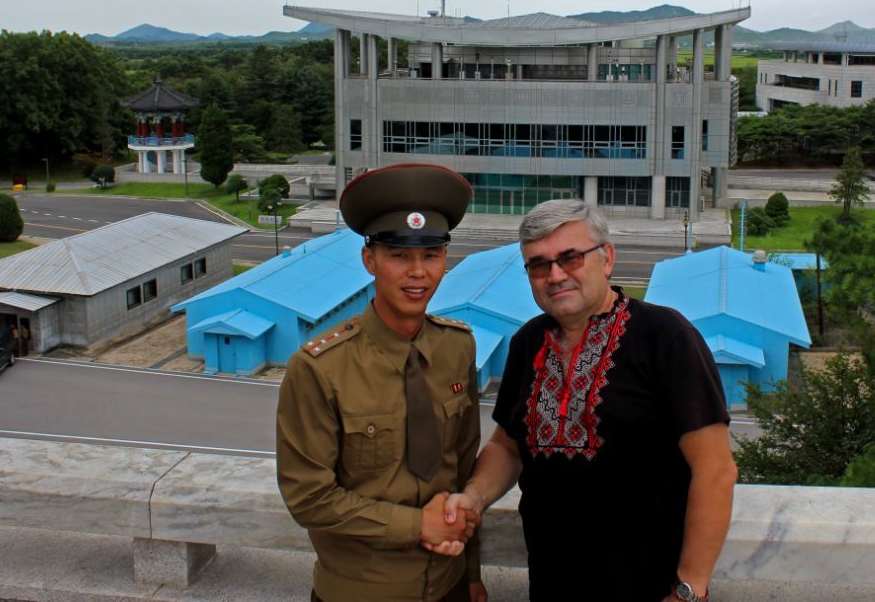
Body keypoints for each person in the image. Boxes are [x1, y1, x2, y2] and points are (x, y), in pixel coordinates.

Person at [437, 199, 737, 601]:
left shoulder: (665, 336)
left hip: (649, 587)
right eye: (539, 264)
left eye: (570, 257)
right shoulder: (528, 342)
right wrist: (472, 497)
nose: (555, 275)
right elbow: (507, 447)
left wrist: (688, 588)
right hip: (551, 583)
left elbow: (715, 470)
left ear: (607, 258)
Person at [276, 163, 488, 602]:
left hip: (448, 585)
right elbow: (309, 498)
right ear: (370, 259)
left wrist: (470, 573)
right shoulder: (320, 368)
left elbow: (462, 468)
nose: (418, 272)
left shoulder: (458, 347)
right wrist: (417, 526)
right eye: (399, 255)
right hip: (361, 591)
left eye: (431, 255)